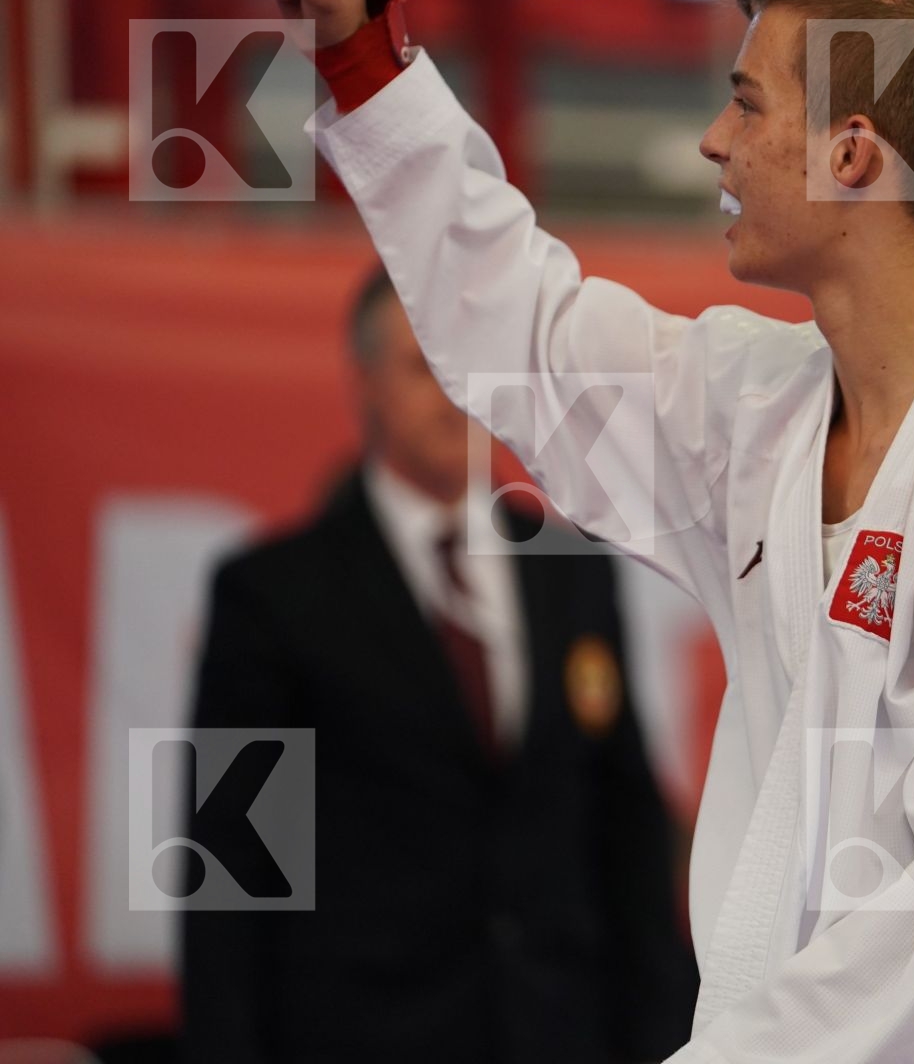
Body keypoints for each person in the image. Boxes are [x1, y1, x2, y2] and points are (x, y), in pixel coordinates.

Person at [233, 0, 914, 1064]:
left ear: (853, 153)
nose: (714, 144)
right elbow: (522, 333)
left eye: (747, 102)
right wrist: (363, 53)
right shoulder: (761, 405)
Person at [181, 266, 697, 1064]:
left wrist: (660, 1034)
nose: (455, 395)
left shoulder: (570, 571)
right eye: (424, 369)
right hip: (359, 1038)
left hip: (558, 1035)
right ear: (364, 384)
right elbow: (232, 873)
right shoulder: (276, 595)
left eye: (468, 366)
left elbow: (623, 824)